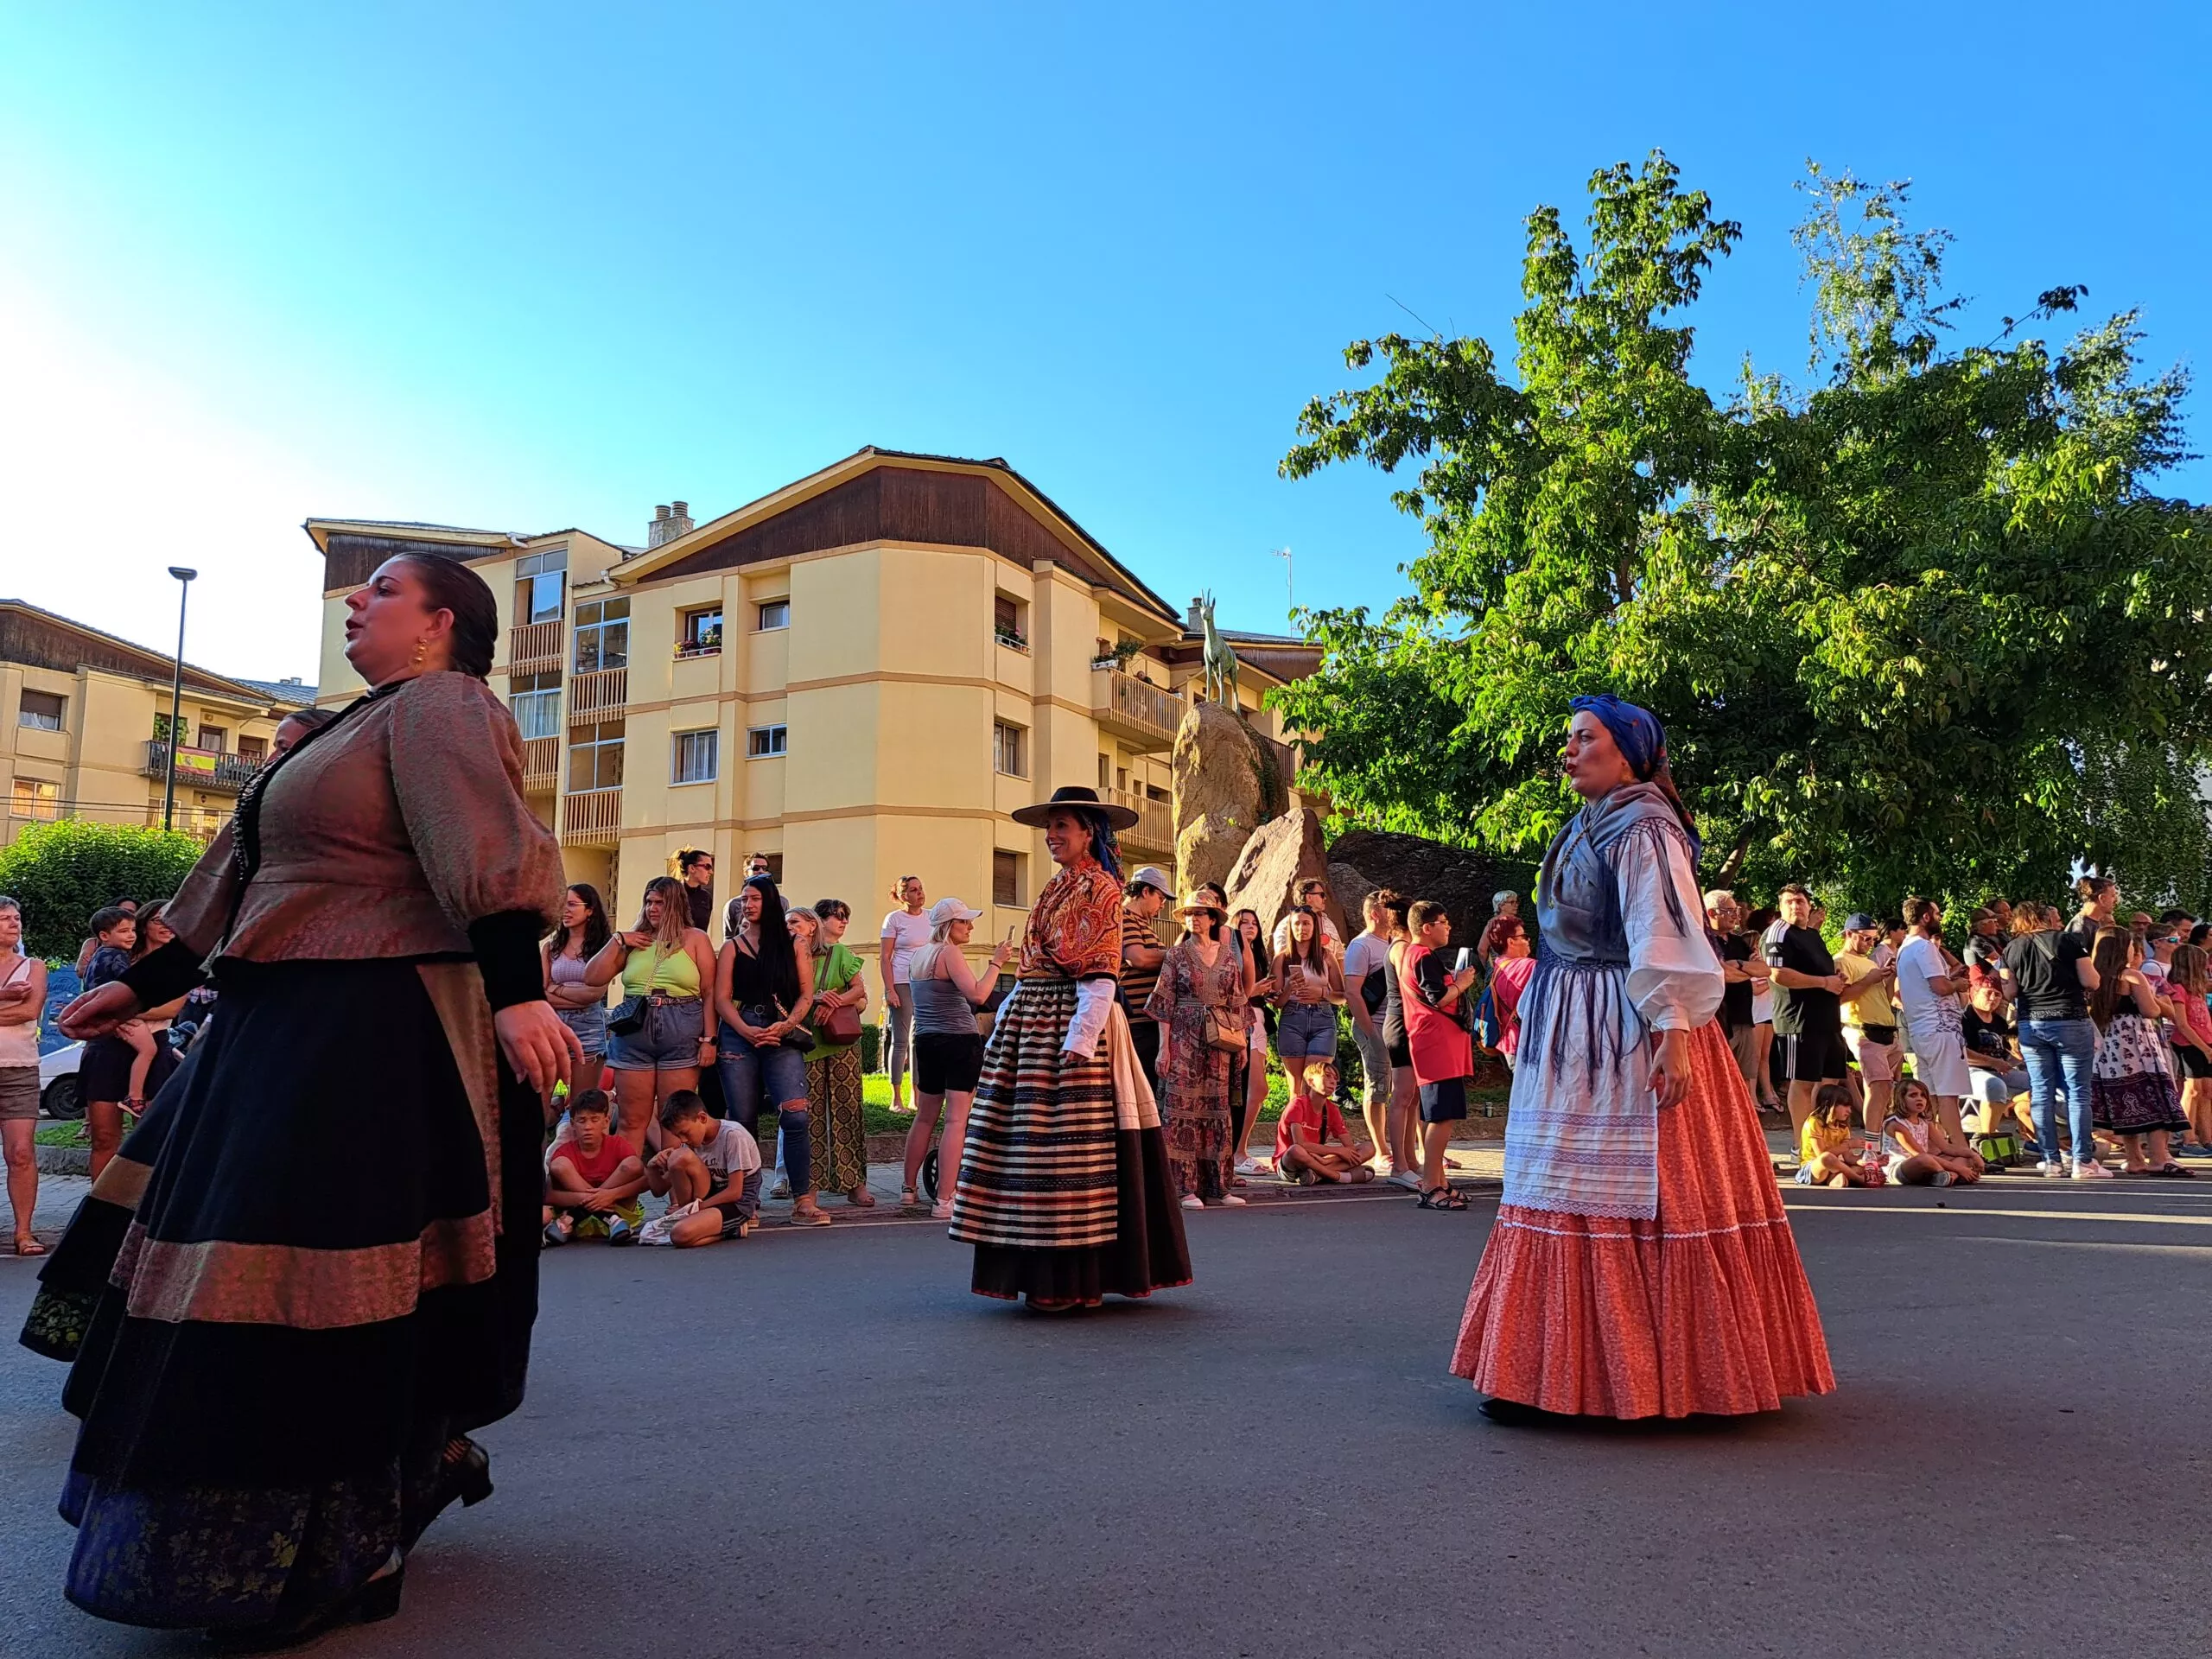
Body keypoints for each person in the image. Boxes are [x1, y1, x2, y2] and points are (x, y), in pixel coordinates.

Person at [39, 550, 575, 1641]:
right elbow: (236, 880)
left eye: (382, 590)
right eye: (358, 589)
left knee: (314, 1283)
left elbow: (485, 850)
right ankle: (385, 1489)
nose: (356, 601)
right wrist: (140, 984)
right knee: (237, 1270)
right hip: (276, 1021)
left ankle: (346, 1547)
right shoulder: (345, 727)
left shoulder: (441, 708)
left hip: (371, 1027)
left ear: (439, 625)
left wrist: (519, 997)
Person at [1452, 696, 1832, 1422]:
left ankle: (1648, 1377)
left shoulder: (1643, 825)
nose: (1568, 751)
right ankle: (1554, 1372)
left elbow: (1665, 932)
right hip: (1576, 1025)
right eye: (1568, 739)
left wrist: (1675, 1032)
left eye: (1584, 739)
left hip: (1626, 1030)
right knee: (1559, 1182)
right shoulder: (1589, 822)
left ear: (1627, 751)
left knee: (1627, 1187)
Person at [949, 785, 1191, 1309]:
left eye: (1063, 826)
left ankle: (1071, 1281)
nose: (1052, 835)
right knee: (1026, 1154)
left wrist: (1080, 1041)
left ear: (1089, 833)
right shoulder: (1058, 886)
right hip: (1033, 1025)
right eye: (1050, 826)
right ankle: (1051, 1278)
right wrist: (1008, 1022)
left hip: (1073, 1027)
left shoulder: (1100, 889)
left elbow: (1101, 976)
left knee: (1067, 1157)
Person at [714, 874, 826, 1225]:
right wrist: (744, 1029)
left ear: (770, 902)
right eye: (745, 899)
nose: (748, 905)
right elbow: (721, 997)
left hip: (782, 1034)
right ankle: (748, 1202)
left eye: (755, 899)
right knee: (742, 1120)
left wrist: (787, 1025)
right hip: (739, 1033)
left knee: (795, 1115)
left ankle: (803, 1200)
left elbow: (807, 994)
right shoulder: (732, 946)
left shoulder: (794, 943)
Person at [589, 875, 716, 1154]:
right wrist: (619, 939)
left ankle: (677, 1197)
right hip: (635, 1028)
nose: (652, 908)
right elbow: (592, 976)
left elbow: (709, 992)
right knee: (631, 1120)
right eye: (648, 902)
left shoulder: (695, 938)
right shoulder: (636, 940)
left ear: (675, 904)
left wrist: (710, 1039)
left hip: (681, 1025)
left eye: (660, 902)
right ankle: (627, 1197)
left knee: (675, 1122)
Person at [900, 897, 1010, 1219]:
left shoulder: (919, 955)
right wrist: (996, 963)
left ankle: (908, 1190)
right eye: (964, 922)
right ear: (949, 925)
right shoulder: (949, 952)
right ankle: (945, 1200)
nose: (971, 926)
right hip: (958, 1042)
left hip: (926, 1040)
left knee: (924, 1116)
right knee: (956, 1120)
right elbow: (977, 995)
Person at [1149, 891, 1256, 1210]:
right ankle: (1183, 1188)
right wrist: (1163, 1049)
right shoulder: (1176, 955)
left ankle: (1218, 1187)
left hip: (1219, 1040)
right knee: (1182, 1109)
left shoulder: (1226, 955)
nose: (1194, 918)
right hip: (1183, 1036)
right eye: (1189, 914)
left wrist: (1242, 1043)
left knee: (1216, 1109)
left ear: (1213, 919)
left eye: (1200, 913)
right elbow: (1164, 1004)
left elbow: (1237, 999)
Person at [1998, 898, 2106, 1179]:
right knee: (2077, 1092)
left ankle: (2050, 1160)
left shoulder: (2011, 948)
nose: (2058, 919)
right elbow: (2091, 980)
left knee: (2041, 1092)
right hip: (2069, 1018)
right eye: (2055, 914)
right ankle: (2082, 1160)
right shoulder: (2067, 941)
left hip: (2032, 1024)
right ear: (2043, 917)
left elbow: (2009, 992)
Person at [2087, 926, 2194, 1177]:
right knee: (2155, 1096)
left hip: (2110, 1049)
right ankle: (2158, 1157)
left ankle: (2134, 1158)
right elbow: (2150, 1011)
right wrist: (2158, 1001)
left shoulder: (2095, 979)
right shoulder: (2132, 976)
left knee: (2123, 1101)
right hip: (2138, 1045)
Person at [1401, 899, 1477, 1211]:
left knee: (1437, 1114)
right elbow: (1438, 998)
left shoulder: (1415, 955)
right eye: (1443, 922)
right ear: (1427, 928)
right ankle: (1431, 1185)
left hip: (1436, 1044)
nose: (1448, 927)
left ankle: (1440, 1181)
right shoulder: (1422, 956)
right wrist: (1461, 984)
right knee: (1441, 1117)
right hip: (1437, 1046)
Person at [1764, 884, 1852, 1147]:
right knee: (1802, 1083)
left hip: (1827, 1019)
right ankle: (1801, 1147)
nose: (1795, 906)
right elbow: (1778, 974)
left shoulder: (1812, 935)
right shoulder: (1779, 933)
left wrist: (1835, 979)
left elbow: (1821, 972)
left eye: (1800, 901)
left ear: (1809, 905)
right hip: (1797, 1020)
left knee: (1828, 1082)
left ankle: (1823, 1141)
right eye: (1789, 902)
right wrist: (1824, 983)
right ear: (1780, 906)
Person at [804, 897, 873, 1208]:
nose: (842, 921)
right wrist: (817, 998)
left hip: (842, 1040)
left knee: (848, 1109)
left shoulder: (844, 954)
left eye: (845, 916)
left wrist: (832, 1001)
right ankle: (810, 1186)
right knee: (810, 1115)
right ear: (817, 921)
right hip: (807, 1041)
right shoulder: (799, 954)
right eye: (835, 916)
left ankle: (854, 1182)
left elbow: (858, 991)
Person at [1893, 897, 1974, 1153]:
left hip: (1921, 1031)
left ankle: (1935, 1148)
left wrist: (1949, 979)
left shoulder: (1905, 947)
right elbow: (1939, 987)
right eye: (1937, 914)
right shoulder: (1924, 947)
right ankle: (1961, 1150)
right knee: (1948, 1095)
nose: (1940, 918)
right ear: (1926, 917)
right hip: (1940, 1030)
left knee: (1929, 1098)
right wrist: (1957, 985)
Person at [645, 1090, 761, 1247]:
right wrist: (652, 1168)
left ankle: (732, 1229)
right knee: (679, 1157)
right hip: (709, 1197)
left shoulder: (733, 1135)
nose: (683, 1140)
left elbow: (735, 1192)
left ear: (702, 1118)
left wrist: (698, 1208)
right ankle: (691, 1216)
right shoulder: (691, 1143)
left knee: (679, 1235)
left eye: (685, 1133)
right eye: (678, 1136)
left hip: (736, 1204)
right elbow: (659, 1191)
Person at [0, 894, 48, 1256]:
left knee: (20, 1152)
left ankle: (24, 1231)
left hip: (19, 1067)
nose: (14, 924)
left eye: (16, 917)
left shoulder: (33, 967)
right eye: (5, 919)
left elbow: (29, 1011)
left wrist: (13, 1004)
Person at [1269, 905, 1344, 1131]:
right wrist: (1288, 988)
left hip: (1322, 1017)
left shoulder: (1325, 955)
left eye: (1306, 923)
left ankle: (1313, 1137)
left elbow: (1342, 996)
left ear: (1314, 926)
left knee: (1316, 1084)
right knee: (1296, 1088)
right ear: (1290, 928)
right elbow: (1277, 1003)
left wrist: (1321, 993)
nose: (1302, 928)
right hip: (1292, 1017)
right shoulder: (1282, 958)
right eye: (1297, 924)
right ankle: (1291, 1140)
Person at [1341, 890, 1398, 1173]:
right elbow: (1352, 993)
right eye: (1389, 909)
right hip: (1374, 1026)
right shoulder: (1361, 946)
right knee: (1378, 1088)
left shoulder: (1395, 942)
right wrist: (1370, 1032)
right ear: (1375, 914)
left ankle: (1405, 1149)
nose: (1395, 913)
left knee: (1402, 1089)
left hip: (1397, 1028)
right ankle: (1381, 1150)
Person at [542, 1090, 645, 1245]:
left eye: (594, 1120)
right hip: (611, 1219)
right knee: (559, 1165)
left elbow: (644, 1180)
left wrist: (609, 1195)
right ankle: (609, 1218)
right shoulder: (565, 1151)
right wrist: (594, 1200)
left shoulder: (617, 1144)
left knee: (634, 1164)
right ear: (572, 1124)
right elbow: (549, 1195)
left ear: (606, 1121)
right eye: (582, 1121)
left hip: (592, 1214)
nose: (588, 1127)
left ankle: (580, 1215)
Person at [1834, 913, 1904, 1128]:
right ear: (1849, 934)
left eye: (1873, 939)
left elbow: (1885, 996)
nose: (1871, 943)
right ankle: (1872, 1144)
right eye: (1866, 938)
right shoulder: (1841, 961)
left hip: (1885, 1031)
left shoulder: (1867, 963)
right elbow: (1841, 997)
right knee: (1878, 1086)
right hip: (1864, 1031)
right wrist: (1869, 980)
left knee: (1886, 1090)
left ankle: (1879, 1137)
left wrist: (1890, 977)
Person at [542, 883, 613, 1086]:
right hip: (553, 1024)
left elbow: (595, 995)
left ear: (590, 910)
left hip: (588, 1027)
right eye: (563, 904)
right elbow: (540, 993)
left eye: (572, 904)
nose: (565, 910)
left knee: (582, 1104)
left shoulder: (604, 949)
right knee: (540, 1099)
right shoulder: (551, 947)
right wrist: (578, 995)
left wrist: (555, 988)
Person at [1960, 981, 2034, 1153]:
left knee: (2039, 1082)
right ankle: (1986, 1142)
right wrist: (1993, 1062)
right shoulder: (1965, 1018)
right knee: (1994, 1086)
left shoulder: (2000, 1022)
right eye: (1988, 993)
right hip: (1970, 1070)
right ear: (1974, 993)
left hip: (2000, 1069)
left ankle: (2033, 1135)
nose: (1993, 998)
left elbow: (2008, 1052)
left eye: (1998, 994)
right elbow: (1961, 1052)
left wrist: (2021, 1056)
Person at [878, 875, 931, 1113]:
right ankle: (895, 1098)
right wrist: (890, 989)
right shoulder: (894, 919)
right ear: (902, 896)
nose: (919, 893)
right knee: (900, 1041)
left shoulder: (931, 917)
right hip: (901, 982)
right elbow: (885, 957)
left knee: (918, 1041)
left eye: (920, 888)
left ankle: (916, 1096)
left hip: (925, 983)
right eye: (913, 890)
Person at [1229, 903, 1274, 1178]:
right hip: (1240, 1019)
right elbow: (1231, 994)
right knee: (1252, 1088)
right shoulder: (1231, 953)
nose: (1250, 926)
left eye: (1254, 923)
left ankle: (1239, 1151)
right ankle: (1238, 1152)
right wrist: (1253, 989)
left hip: (1258, 1020)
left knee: (1258, 1090)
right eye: (1244, 922)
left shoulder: (1258, 955)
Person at [1704, 890, 1764, 1094]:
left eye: (1735, 911)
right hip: (1720, 1021)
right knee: (1718, 1078)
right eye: (1729, 911)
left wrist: (1737, 965)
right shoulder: (1705, 942)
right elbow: (1721, 975)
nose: (1735, 916)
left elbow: (1764, 970)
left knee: (1745, 1078)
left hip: (1745, 1019)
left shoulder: (1739, 942)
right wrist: (1747, 969)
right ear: (1712, 913)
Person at [1274, 1064, 1375, 1185]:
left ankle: (1316, 1174)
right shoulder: (1297, 1105)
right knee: (1296, 1150)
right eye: (1327, 1076)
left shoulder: (1333, 1109)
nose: (1333, 1081)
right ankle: (1339, 1176)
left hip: (1318, 1161)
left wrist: (1330, 1160)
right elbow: (1300, 1144)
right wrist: (1337, 1151)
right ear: (1311, 1082)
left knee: (1368, 1148)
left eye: (1335, 1078)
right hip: (1292, 1163)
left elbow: (1350, 1147)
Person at [1120, 866, 1173, 1093]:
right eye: (1160, 897)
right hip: (1136, 1022)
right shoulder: (1125, 917)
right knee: (1139, 1090)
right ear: (1145, 892)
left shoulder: (1144, 924)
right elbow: (1137, 958)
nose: (1162, 905)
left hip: (1147, 1019)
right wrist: (1177, 954)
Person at [2163, 943, 2212, 1157]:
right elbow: (2182, 1024)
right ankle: (2187, 1139)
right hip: (2188, 1044)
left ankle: (2207, 1138)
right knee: (2192, 1090)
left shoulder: (2196, 990)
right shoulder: (2178, 989)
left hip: (2205, 1043)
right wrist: (2203, 1047)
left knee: (2207, 1091)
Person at [1885, 1078, 1982, 1185]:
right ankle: (1953, 1175)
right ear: (1901, 1099)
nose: (1919, 1099)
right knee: (1924, 1158)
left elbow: (1946, 1147)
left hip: (1928, 1165)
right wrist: (1961, 1169)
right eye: (1913, 1095)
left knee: (1963, 1157)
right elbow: (1918, 1154)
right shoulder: (1896, 1125)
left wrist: (1973, 1155)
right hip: (1900, 1169)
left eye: (1923, 1096)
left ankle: (1949, 1177)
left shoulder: (1925, 1123)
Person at [1741, 905, 1785, 1111]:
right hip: (1756, 1014)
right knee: (1754, 1056)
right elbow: (1755, 990)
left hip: (1769, 1013)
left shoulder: (1764, 965)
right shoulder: (1750, 966)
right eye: (1758, 945)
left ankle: (1769, 1093)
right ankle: (1750, 1096)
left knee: (1765, 1055)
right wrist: (1773, 979)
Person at [1484, 913, 1538, 1069]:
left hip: (1508, 1043)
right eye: (1524, 936)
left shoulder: (1499, 965)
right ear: (1511, 941)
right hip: (1524, 1044)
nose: (1528, 940)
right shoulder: (1527, 966)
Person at [1796, 1084, 1874, 1188]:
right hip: (1814, 1168)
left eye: (1850, 1107)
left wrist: (1867, 1161)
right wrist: (1848, 1145)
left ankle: (1838, 1179)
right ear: (1830, 1105)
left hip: (1833, 1167)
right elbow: (1821, 1155)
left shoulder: (1843, 1127)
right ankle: (1859, 1179)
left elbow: (1849, 1158)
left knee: (1862, 1167)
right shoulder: (1814, 1122)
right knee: (1827, 1157)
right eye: (1845, 1106)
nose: (1849, 1111)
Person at [1269, 879, 1344, 957]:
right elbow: (1282, 958)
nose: (1325, 898)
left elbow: (1340, 956)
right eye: (1322, 895)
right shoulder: (1287, 925)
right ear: (1309, 897)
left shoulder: (1327, 922)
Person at [72, 896, 138, 980]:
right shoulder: (118, 955)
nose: (132, 935)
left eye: (133, 930)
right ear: (104, 936)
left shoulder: (98, 953)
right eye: (124, 931)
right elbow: (130, 983)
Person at [675, 848, 716, 932]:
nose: (711, 872)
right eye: (707, 867)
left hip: (698, 944)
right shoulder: (672, 893)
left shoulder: (706, 897)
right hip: (674, 944)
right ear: (692, 868)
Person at [2069, 875, 2119, 943]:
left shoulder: (2090, 924)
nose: (2116, 900)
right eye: (2113, 896)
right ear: (2102, 899)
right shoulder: (2081, 927)